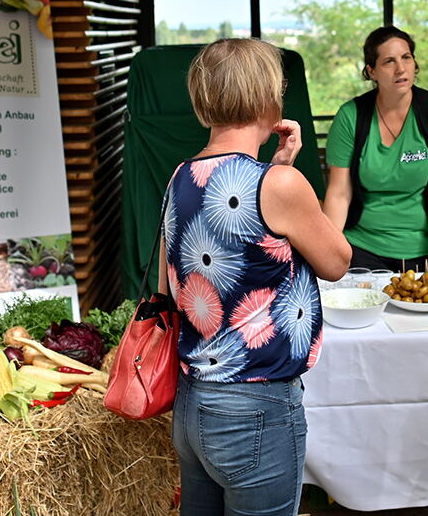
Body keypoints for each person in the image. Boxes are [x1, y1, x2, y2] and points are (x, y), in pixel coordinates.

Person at [161, 38, 351, 516]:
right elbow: (337, 262)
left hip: (191, 404)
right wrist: (284, 175)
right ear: (270, 99)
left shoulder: (180, 176)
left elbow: (170, 287)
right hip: (256, 406)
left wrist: (276, 172)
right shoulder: (279, 184)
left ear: (204, 103)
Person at [322, 25, 428, 274]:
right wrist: (327, 260)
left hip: (423, 251)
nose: (400, 69)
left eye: (406, 58)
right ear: (372, 71)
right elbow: (339, 193)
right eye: (389, 61)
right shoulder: (350, 116)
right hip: (361, 247)